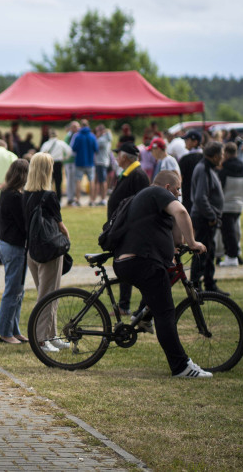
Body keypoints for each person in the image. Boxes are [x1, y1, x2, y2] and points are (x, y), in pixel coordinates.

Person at [113, 170, 212, 378]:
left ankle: (143, 316)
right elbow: (182, 213)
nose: (179, 195)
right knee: (166, 313)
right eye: (177, 190)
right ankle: (181, 366)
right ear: (168, 188)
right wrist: (193, 243)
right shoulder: (159, 193)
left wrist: (179, 246)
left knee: (160, 287)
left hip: (130, 262)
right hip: (142, 262)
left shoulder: (147, 198)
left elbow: (175, 236)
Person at [22, 152, 70, 353]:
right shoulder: (49, 196)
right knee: (48, 296)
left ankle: (52, 335)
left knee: (49, 294)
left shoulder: (25, 194)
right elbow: (60, 226)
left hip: (32, 251)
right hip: (49, 251)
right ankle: (42, 339)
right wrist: (67, 240)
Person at [108, 143, 150, 314]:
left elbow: (142, 205)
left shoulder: (137, 175)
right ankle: (123, 305)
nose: (117, 157)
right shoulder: (128, 173)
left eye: (118, 154)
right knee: (123, 267)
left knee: (129, 268)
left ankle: (133, 306)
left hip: (129, 231)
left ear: (125, 157)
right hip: (122, 230)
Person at [0, 159, 30, 344]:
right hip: (13, 247)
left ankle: (14, 329)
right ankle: (5, 332)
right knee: (12, 290)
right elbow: (23, 224)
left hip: (9, 245)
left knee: (19, 291)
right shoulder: (14, 197)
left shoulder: (8, 193)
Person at [190, 142, 225, 294]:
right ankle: (196, 287)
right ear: (215, 155)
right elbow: (200, 197)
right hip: (204, 218)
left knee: (209, 253)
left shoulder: (208, 167)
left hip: (208, 218)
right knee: (201, 254)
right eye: (221, 154)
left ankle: (210, 284)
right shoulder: (203, 168)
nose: (223, 157)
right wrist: (211, 215)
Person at [217, 142, 243, 267]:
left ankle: (231, 256)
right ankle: (234, 255)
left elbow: (219, 188)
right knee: (234, 232)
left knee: (227, 233)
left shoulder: (224, 170)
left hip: (226, 205)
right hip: (239, 204)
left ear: (226, 154)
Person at [39, 129, 72, 202]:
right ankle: (59, 200)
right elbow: (69, 151)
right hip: (58, 163)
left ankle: (47, 199)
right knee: (58, 182)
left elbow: (41, 153)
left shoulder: (46, 144)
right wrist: (65, 158)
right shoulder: (61, 143)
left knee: (48, 182)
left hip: (49, 163)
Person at [70, 120, 97, 207]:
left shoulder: (78, 136)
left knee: (78, 181)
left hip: (79, 162)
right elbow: (96, 149)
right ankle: (92, 200)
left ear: (81, 126)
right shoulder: (92, 136)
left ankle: (78, 200)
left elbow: (74, 148)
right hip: (90, 162)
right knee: (91, 180)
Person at [178, 130, 204, 213]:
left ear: (195, 142)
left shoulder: (185, 159)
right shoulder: (205, 158)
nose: (185, 142)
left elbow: (180, 178)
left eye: (187, 140)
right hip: (203, 195)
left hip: (188, 195)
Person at [91, 124, 112, 206]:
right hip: (103, 161)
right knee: (99, 180)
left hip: (101, 162)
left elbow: (94, 147)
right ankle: (97, 198)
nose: (96, 133)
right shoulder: (106, 139)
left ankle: (103, 199)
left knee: (102, 181)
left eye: (97, 131)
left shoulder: (101, 140)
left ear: (102, 131)